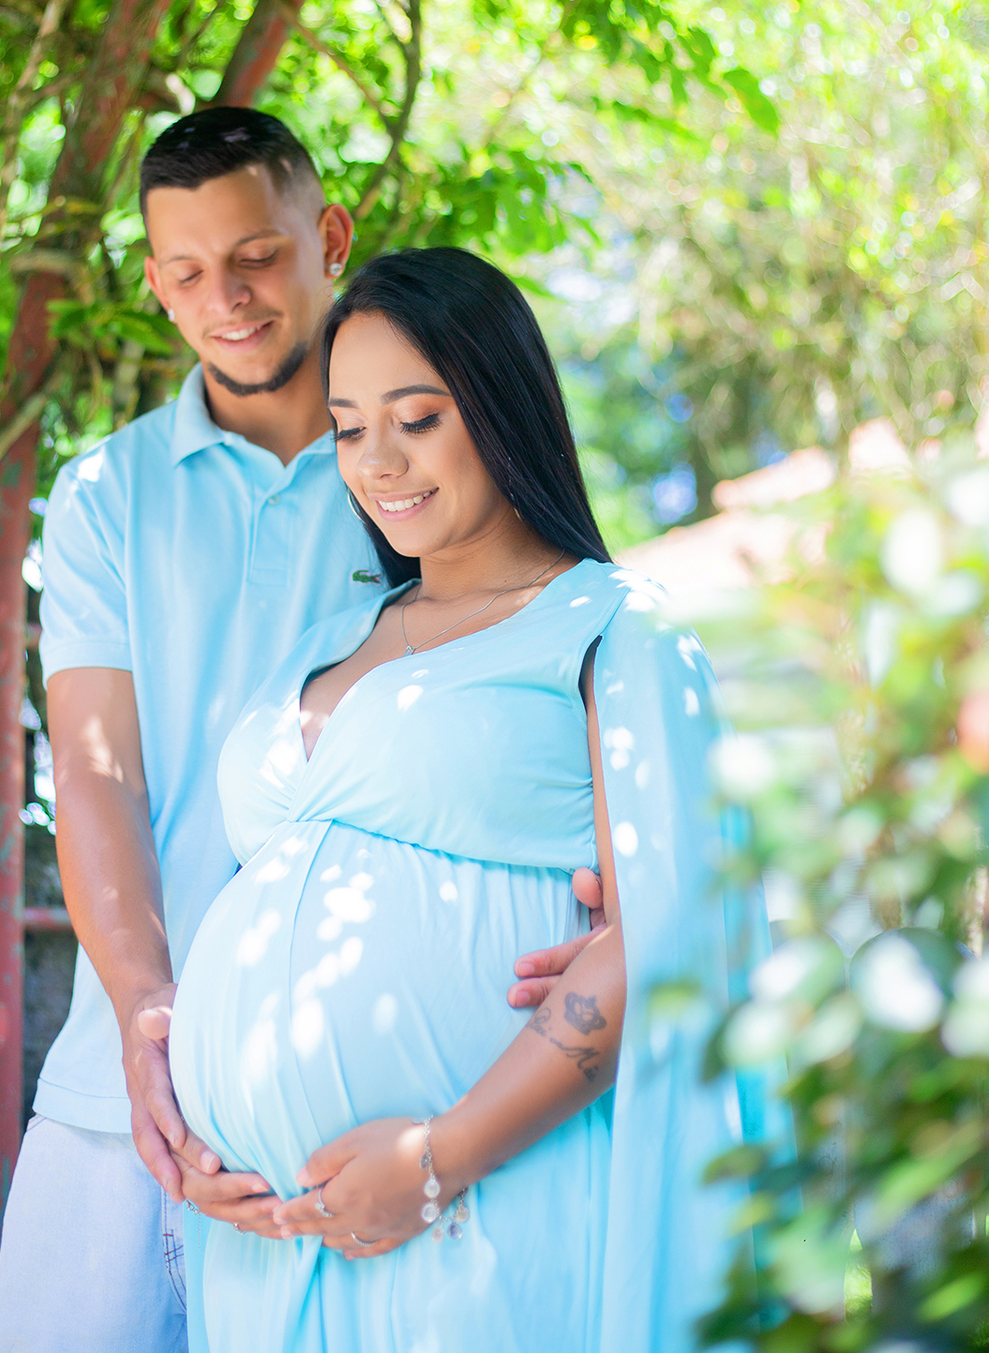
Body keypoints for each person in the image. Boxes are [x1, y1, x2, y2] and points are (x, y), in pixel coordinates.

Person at [0, 114, 601, 1351]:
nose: (231, 299)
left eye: (258, 257)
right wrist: (152, 1017)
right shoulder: (106, 494)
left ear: (329, 240)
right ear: (156, 285)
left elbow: (550, 666)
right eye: (191, 272)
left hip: (376, 1120)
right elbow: (95, 780)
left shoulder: (416, 465)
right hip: (127, 1086)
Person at [169, 246, 769, 1353]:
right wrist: (201, 1139)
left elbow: (676, 931)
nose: (379, 461)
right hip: (265, 1249)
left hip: (486, 1219)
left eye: (419, 417)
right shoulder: (320, 644)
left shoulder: (611, 627)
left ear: (497, 406)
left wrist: (437, 1164)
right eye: (349, 428)